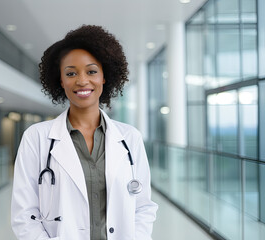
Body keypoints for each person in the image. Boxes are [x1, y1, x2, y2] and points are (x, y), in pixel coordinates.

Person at [11, 25, 158, 240]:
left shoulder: (130, 138)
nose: (82, 81)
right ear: (61, 81)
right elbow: (24, 215)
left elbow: (143, 206)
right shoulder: (36, 137)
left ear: (104, 76)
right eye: (71, 73)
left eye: (91, 71)